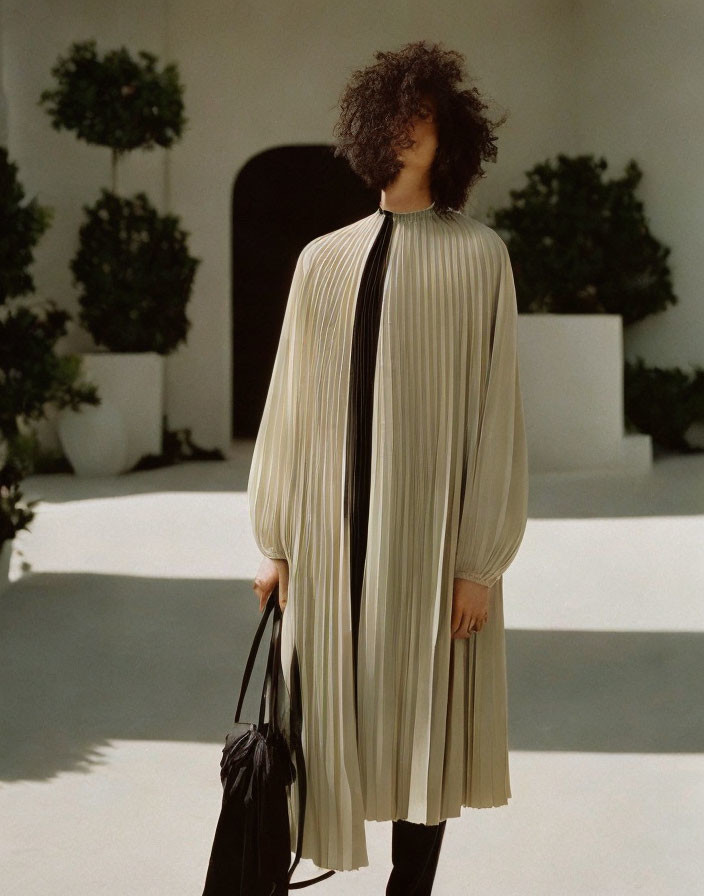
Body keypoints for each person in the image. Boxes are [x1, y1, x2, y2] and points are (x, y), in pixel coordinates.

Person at [249, 40, 529, 894]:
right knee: (327, 713)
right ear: (371, 132)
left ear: (452, 143)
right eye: (397, 120)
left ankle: (413, 888)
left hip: (431, 533)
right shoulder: (320, 260)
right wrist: (275, 541)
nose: (408, 134)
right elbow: (288, 407)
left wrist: (480, 561)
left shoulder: (480, 257)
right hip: (328, 537)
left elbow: (497, 417)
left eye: (426, 123)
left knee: (426, 715)